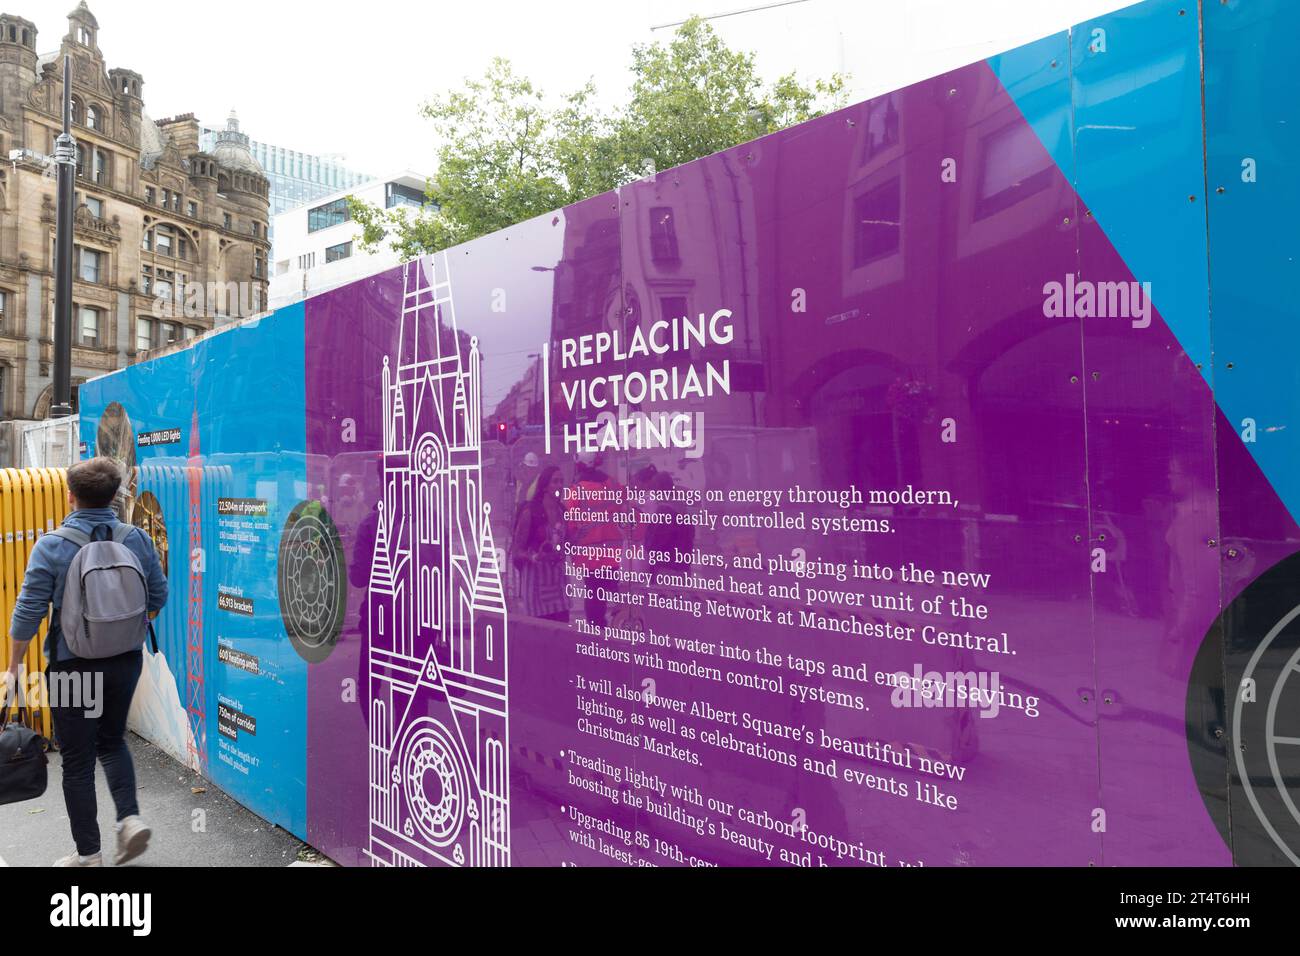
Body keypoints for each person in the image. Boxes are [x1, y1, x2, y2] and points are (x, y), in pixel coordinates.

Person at [1, 457, 168, 867]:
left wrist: (13, 667)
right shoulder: (135, 539)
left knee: (76, 760)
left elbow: (28, 612)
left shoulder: (53, 545)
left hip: (73, 667)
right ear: (114, 495)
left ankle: (88, 854)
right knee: (112, 741)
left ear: (70, 495)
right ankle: (128, 820)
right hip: (126, 661)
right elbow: (158, 596)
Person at [511, 466, 568, 622]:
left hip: (558, 583)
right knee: (541, 636)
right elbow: (516, 551)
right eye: (555, 481)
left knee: (562, 631)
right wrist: (535, 557)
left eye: (562, 481)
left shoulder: (563, 512)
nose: (559, 485)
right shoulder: (530, 513)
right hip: (536, 585)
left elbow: (565, 543)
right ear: (544, 486)